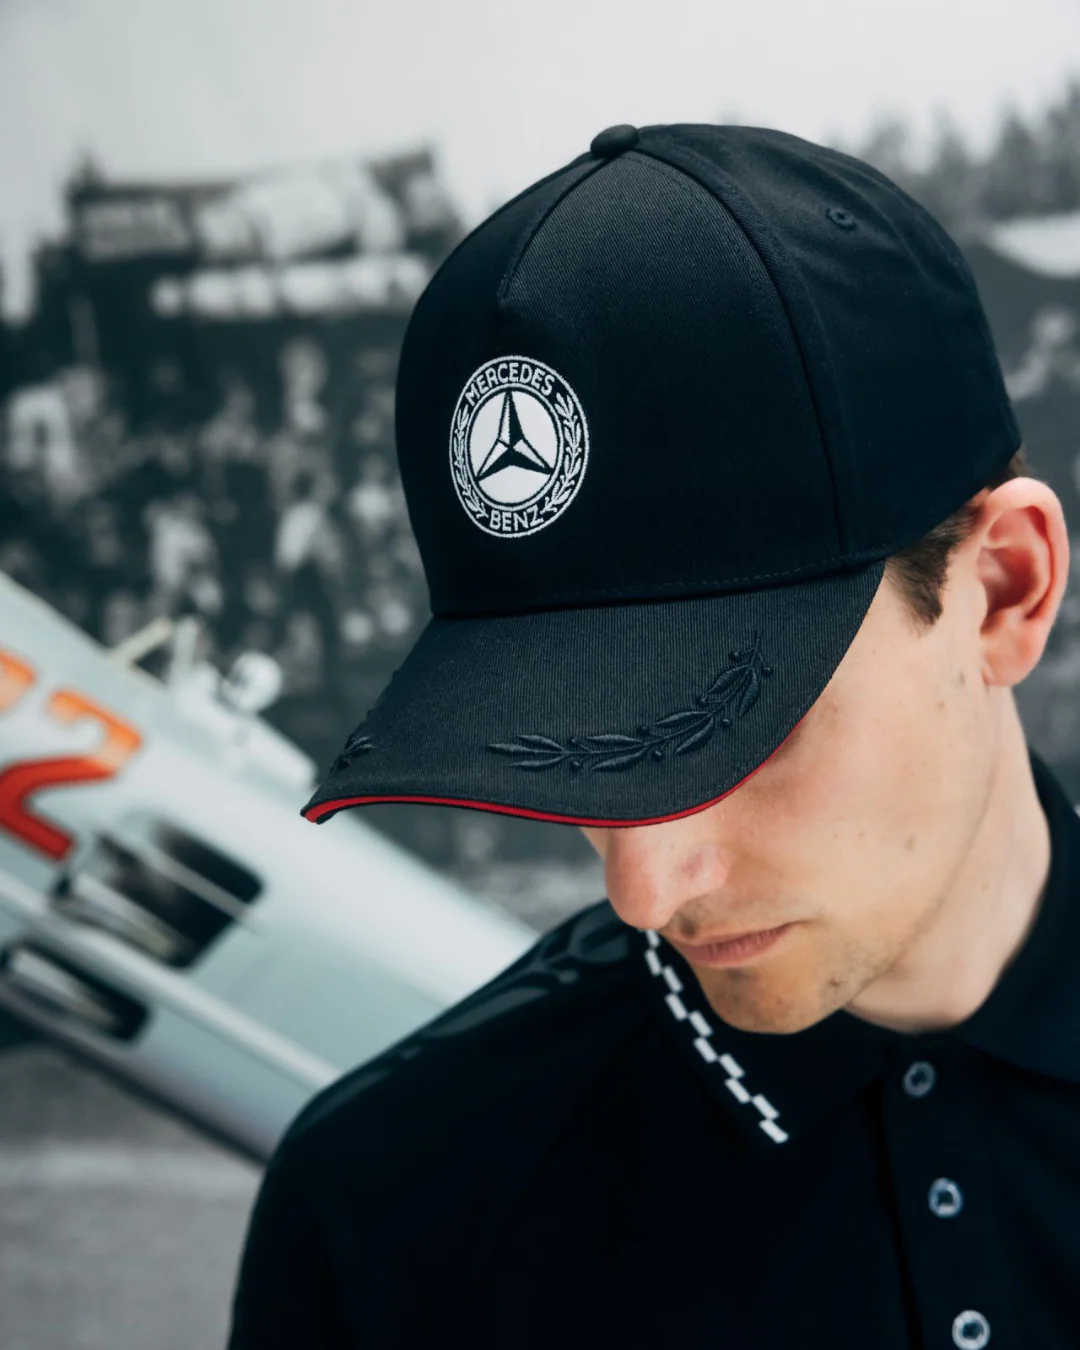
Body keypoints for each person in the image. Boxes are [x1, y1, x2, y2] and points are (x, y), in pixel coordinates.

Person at [227, 123, 1078, 1348]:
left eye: (737, 724)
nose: (643, 887)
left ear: (1003, 590)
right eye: (560, 747)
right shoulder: (394, 1214)